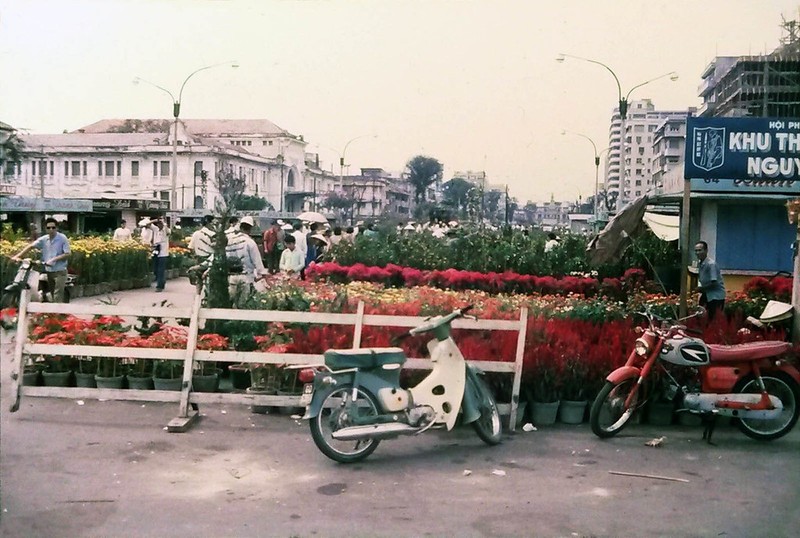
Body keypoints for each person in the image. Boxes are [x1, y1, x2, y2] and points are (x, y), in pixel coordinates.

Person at [11, 217, 71, 303]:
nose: (51, 230)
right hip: (49, 270)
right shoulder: (44, 239)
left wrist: (53, 259)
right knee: (52, 294)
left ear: (57, 228)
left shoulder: (62, 238)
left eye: (53, 227)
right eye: (48, 228)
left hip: (60, 271)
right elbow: (31, 246)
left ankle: (58, 315)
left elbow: (68, 253)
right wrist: (17, 256)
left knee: (57, 296)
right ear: (45, 229)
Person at [225, 216, 268, 300]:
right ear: (250, 228)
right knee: (243, 304)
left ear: (240, 227)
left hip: (231, 277)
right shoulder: (250, 242)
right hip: (246, 277)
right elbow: (257, 260)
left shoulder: (230, 240)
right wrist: (261, 273)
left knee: (231, 302)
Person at [694, 240, 726, 320]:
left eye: (700, 250)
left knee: (713, 319)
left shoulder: (711, 264)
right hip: (707, 294)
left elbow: (714, 283)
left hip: (715, 296)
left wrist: (701, 289)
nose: (698, 253)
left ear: (706, 251)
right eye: (696, 251)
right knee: (700, 314)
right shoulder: (701, 264)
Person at [151, 218, 170, 292]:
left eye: (161, 224)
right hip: (156, 252)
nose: (159, 225)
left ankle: (159, 286)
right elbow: (145, 224)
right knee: (155, 270)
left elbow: (168, 231)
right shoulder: (156, 229)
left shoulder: (165, 230)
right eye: (158, 224)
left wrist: (163, 222)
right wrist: (155, 220)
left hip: (163, 253)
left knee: (160, 270)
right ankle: (162, 281)